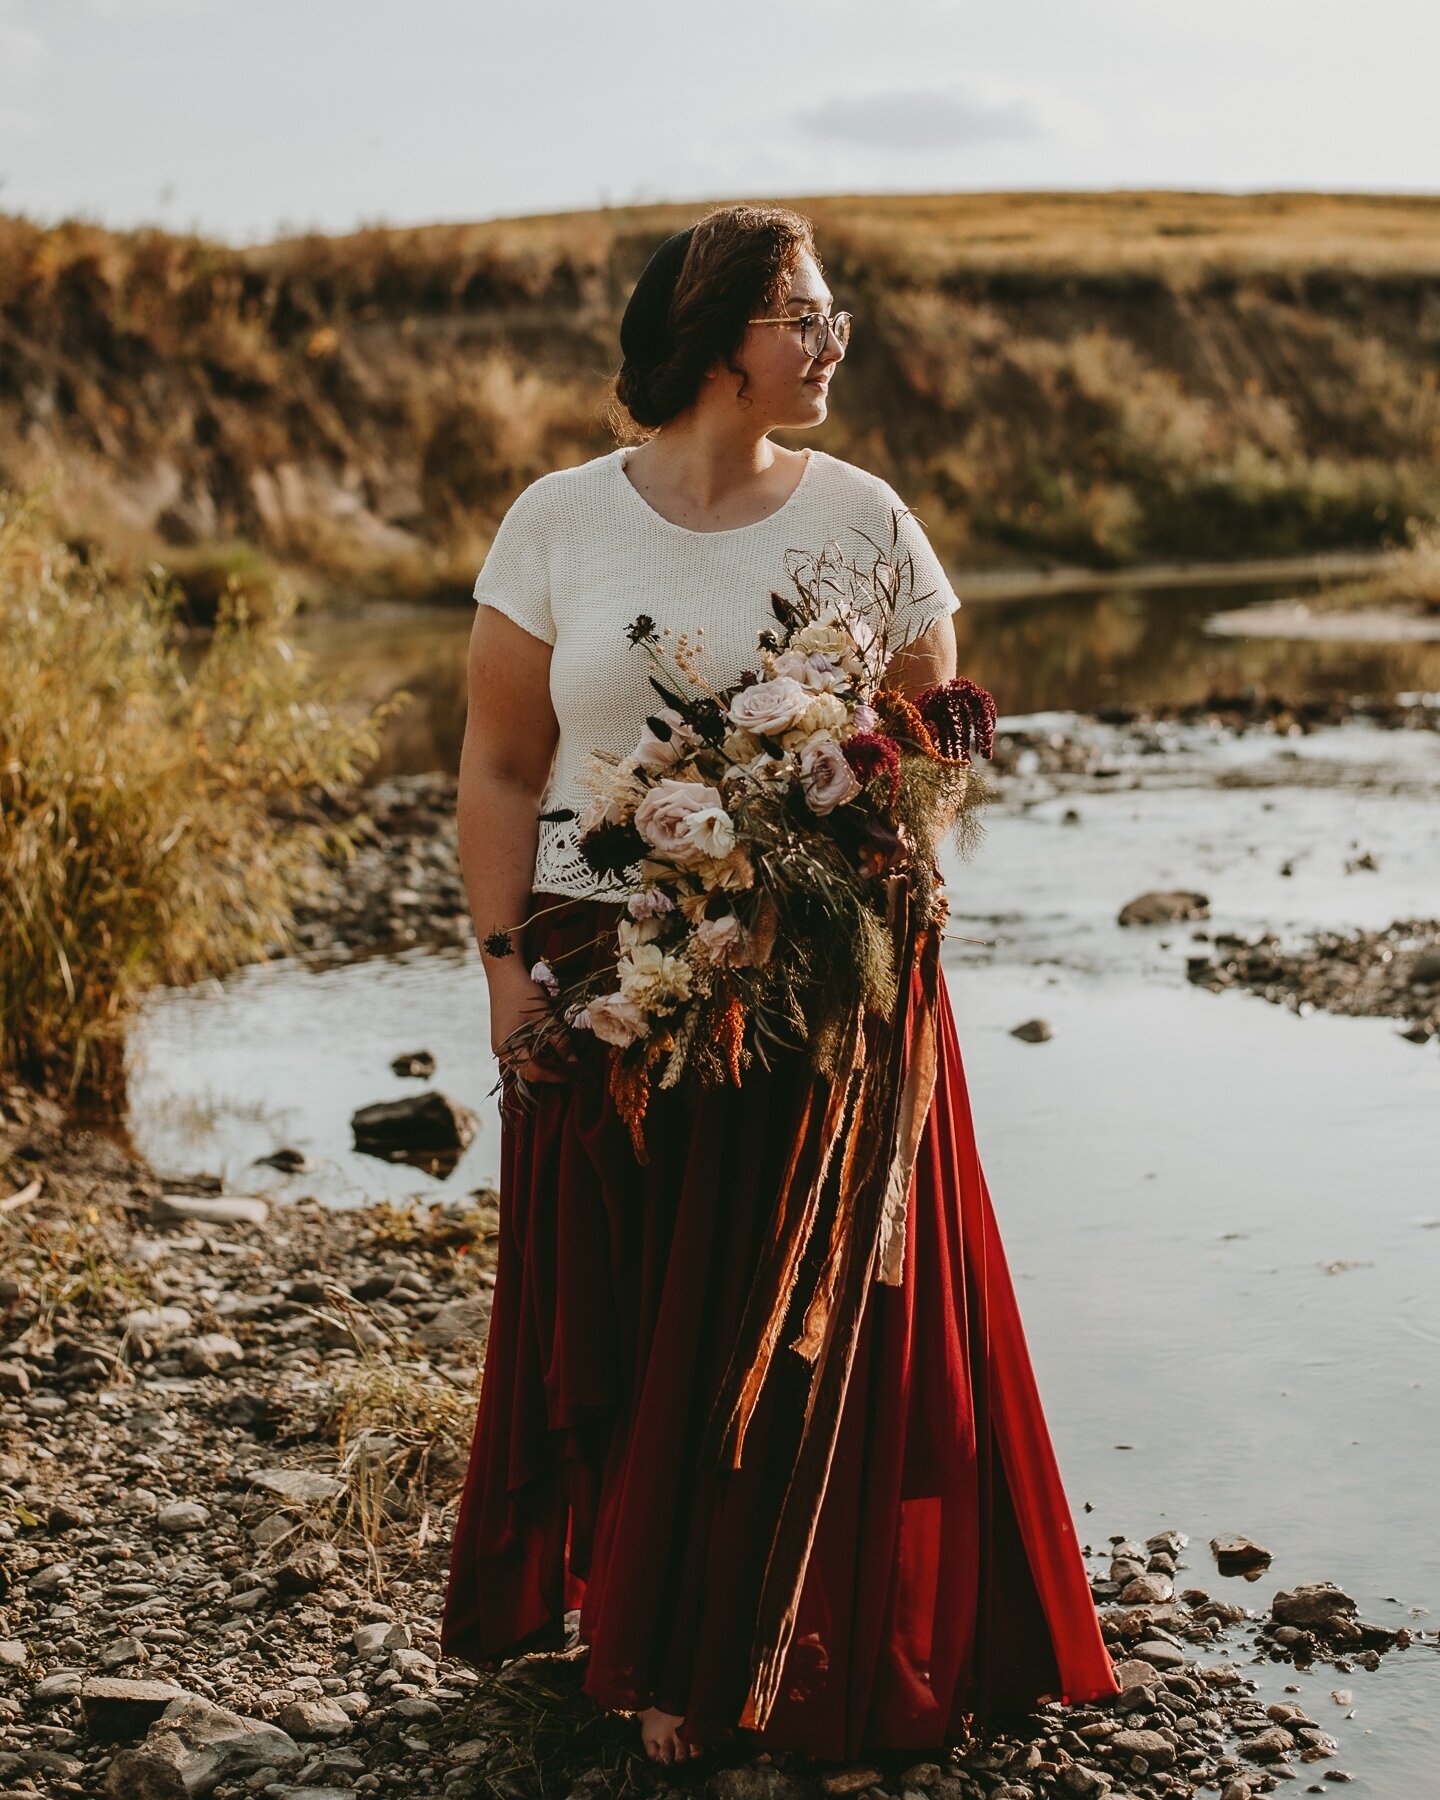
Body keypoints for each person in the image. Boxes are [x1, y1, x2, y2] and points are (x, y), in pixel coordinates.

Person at [440, 203, 1119, 1768]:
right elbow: (498, 763)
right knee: (627, 1308)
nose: (830, 342)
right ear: (717, 334)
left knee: (770, 1321)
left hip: (810, 984)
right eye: (803, 316)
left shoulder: (868, 522)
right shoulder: (558, 519)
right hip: (599, 963)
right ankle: (648, 1626)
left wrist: (828, 849)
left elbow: (932, 742)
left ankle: (744, 1654)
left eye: (834, 316)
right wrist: (500, 974)